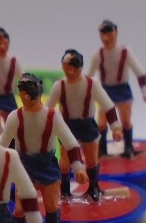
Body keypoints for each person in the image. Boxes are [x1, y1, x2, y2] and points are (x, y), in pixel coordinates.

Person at [0, 73, 88, 223]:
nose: (25, 97)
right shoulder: (14, 117)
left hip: (48, 167)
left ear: (38, 92)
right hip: (24, 169)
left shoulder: (52, 115)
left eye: (29, 93)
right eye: (22, 92)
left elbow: (70, 142)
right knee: (20, 209)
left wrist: (78, 167)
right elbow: (2, 145)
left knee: (51, 206)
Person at [46, 49, 123, 201]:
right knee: (65, 162)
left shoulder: (92, 84)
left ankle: (93, 187)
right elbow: (48, 110)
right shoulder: (59, 86)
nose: (68, 71)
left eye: (71, 68)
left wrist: (115, 127)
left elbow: (107, 105)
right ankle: (64, 190)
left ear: (79, 68)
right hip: (67, 127)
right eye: (65, 67)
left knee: (92, 159)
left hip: (87, 125)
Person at [87, 20, 146, 158]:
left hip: (123, 90)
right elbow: (88, 77)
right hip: (105, 92)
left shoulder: (125, 52)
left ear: (115, 33)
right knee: (102, 123)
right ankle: (102, 150)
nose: (106, 38)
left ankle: (128, 148)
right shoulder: (98, 55)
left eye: (109, 34)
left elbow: (139, 72)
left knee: (126, 121)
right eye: (103, 34)